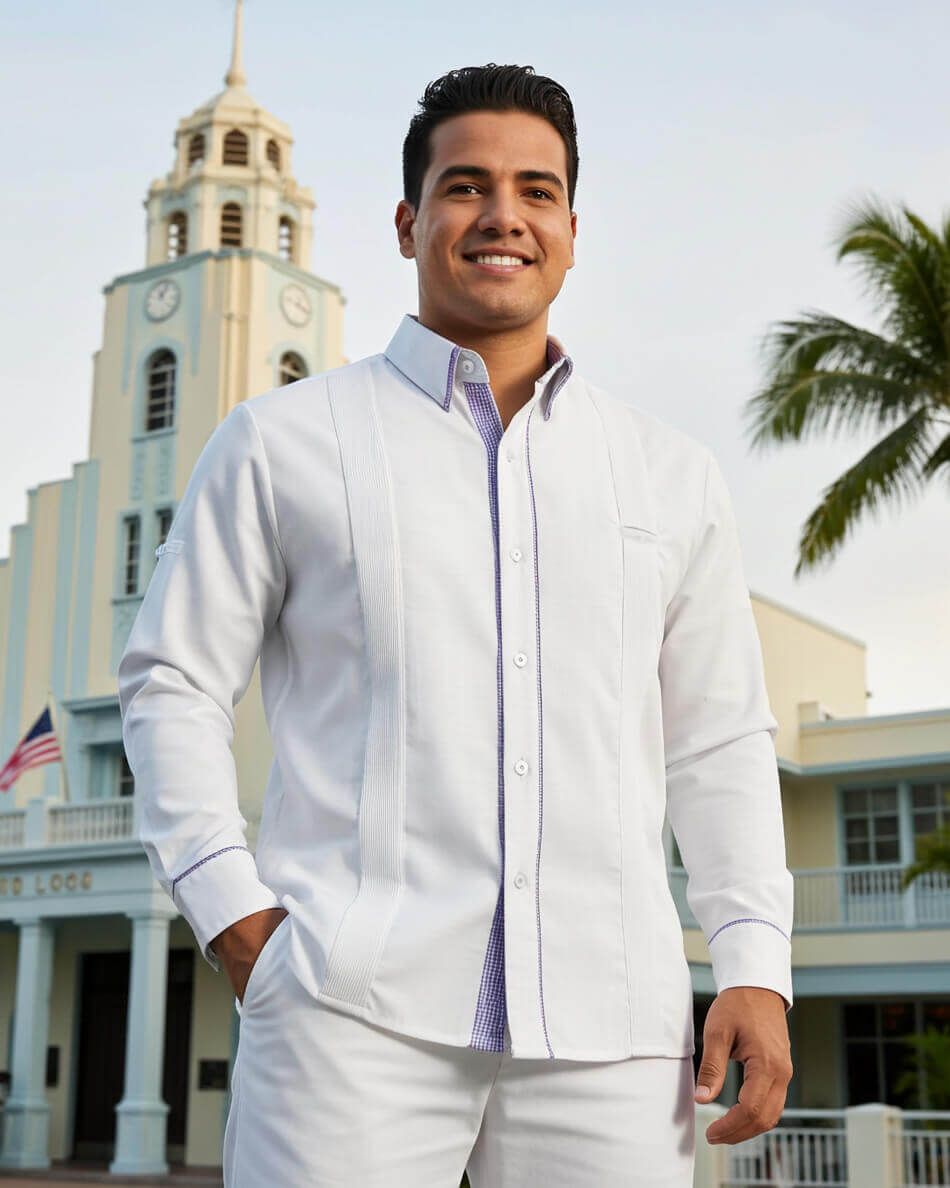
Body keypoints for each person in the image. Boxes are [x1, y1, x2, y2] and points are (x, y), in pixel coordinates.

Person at [118, 62, 794, 1187]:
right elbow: (170, 684)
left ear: (571, 228)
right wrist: (239, 921)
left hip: (612, 1031)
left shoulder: (670, 476)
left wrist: (754, 964)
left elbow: (717, 740)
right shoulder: (281, 442)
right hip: (347, 1012)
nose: (501, 217)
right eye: (465, 185)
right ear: (408, 221)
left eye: (535, 191)